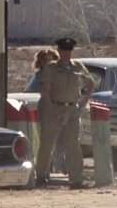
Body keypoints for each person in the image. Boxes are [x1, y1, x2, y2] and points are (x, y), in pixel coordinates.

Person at [35, 37, 95, 189]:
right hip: (54, 109)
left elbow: (90, 83)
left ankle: (76, 179)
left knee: (73, 145)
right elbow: (45, 91)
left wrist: (82, 102)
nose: (66, 54)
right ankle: (41, 177)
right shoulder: (51, 68)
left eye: (69, 51)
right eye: (63, 51)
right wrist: (51, 110)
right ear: (59, 51)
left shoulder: (78, 66)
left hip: (72, 110)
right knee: (47, 145)